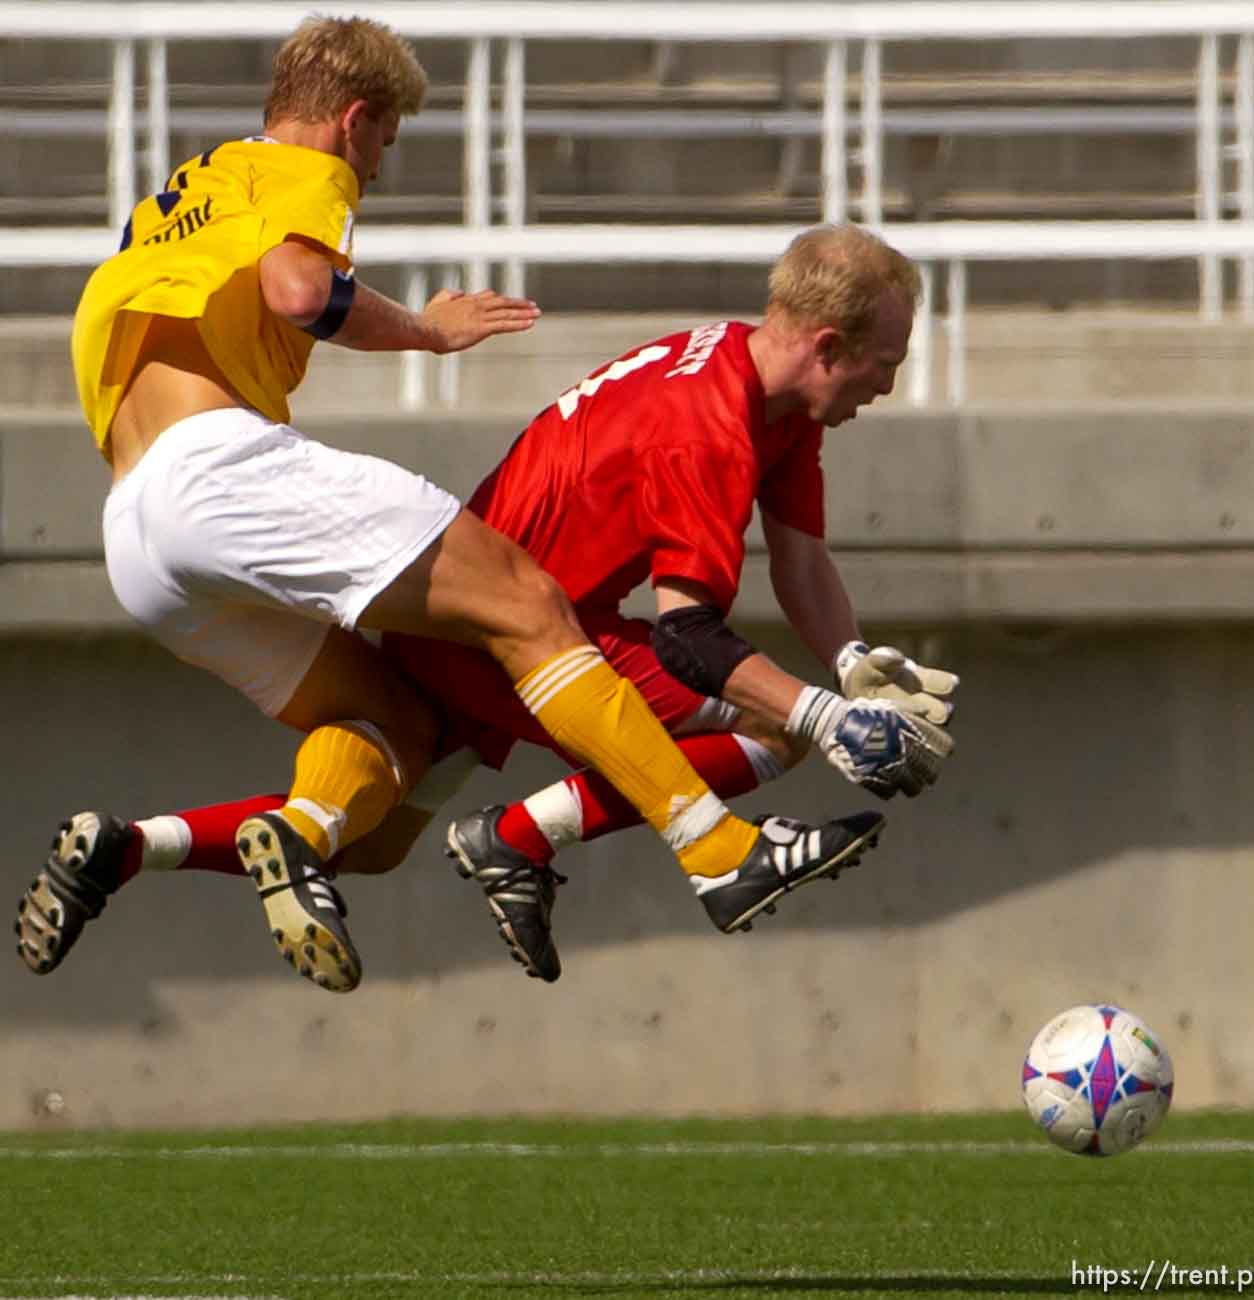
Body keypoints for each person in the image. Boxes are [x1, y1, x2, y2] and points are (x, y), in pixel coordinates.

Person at [15, 22, 913, 994]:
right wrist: (424, 330)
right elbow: (298, 288)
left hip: (136, 530)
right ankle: (716, 849)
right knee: (527, 602)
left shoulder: (173, 204)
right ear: (357, 119)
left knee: (391, 725)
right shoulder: (302, 173)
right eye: (385, 142)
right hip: (220, 468)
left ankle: (155, 843)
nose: (377, 164)